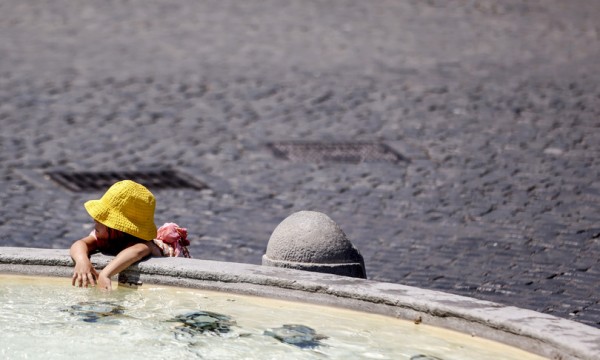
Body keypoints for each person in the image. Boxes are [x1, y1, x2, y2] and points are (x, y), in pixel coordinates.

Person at [70, 180, 162, 291]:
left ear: (118, 228)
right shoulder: (103, 236)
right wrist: (82, 261)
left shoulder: (145, 244)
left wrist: (105, 274)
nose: (95, 220)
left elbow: (136, 252)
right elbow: (80, 243)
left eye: (102, 219)